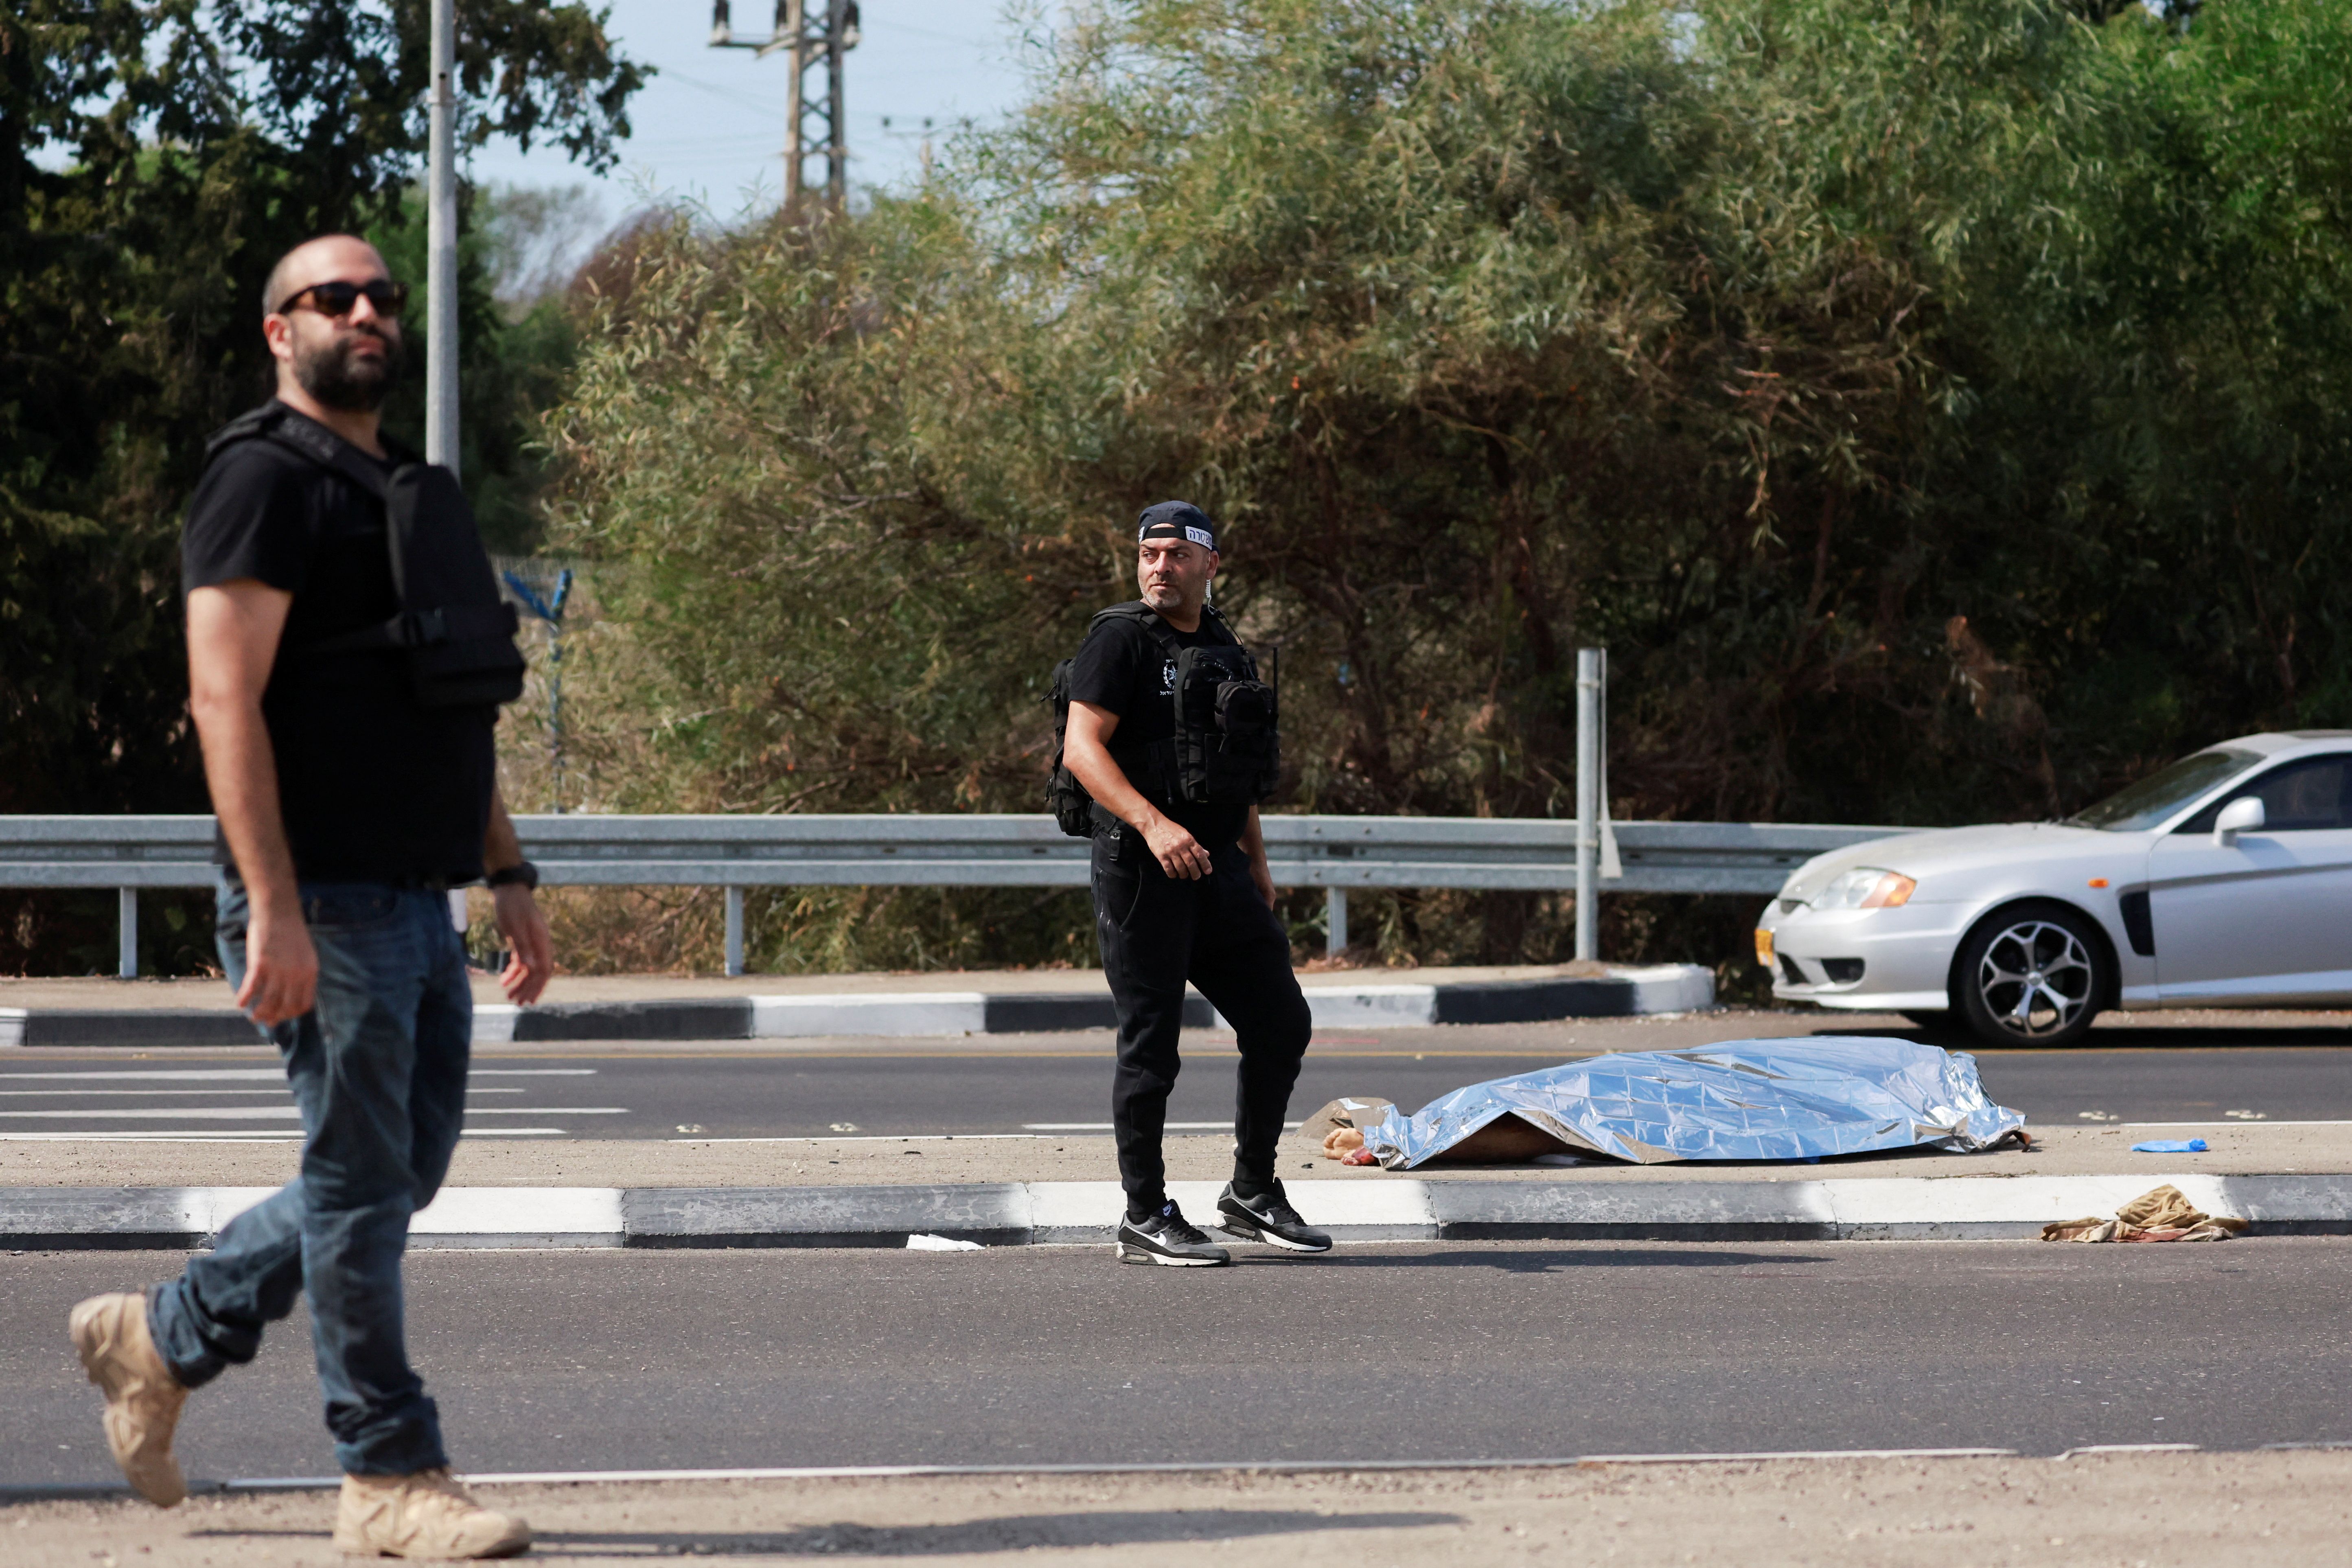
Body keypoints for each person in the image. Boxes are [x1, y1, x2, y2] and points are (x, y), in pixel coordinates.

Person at [67, 234, 553, 1559]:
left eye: (381, 298)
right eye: (330, 298)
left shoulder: (410, 488)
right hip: (318, 898)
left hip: (418, 890)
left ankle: (159, 1340)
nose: (363, 313)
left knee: (396, 1175)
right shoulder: (261, 482)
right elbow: (222, 699)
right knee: (357, 1182)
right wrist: (268, 904)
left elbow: (452, 703)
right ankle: (387, 1471)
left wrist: (506, 873)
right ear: (279, 331)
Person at [1060, 501, 1329, 1266]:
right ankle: (1144, 1214)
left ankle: (1251, 1192)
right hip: (1145, 869)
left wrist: (1258, 863)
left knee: (1281, 1023)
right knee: (1153, 1052)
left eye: (1176, 554)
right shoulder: (1118, 641)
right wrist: (1151, 824)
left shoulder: (1223, 645)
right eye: (1149, 555)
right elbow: (1084, 749)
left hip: (1219, 868)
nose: (1159, 568)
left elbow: (1233, 769)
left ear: (1210, 566)